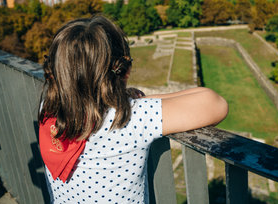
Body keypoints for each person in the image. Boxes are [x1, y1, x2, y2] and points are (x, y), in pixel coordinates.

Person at [38, 15, 228, 203]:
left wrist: (122, 98)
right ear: (124, 71)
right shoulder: (128, 118)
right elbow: (215, 103)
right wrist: (128, 101)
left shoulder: (49, 109)